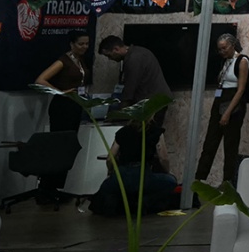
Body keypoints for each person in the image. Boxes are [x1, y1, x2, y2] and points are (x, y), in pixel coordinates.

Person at [33, 31, 91, 207]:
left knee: (68, 147)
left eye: (87, 44)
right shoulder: (63, 60)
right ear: (72, 44)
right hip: (62, 108)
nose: (84, 47)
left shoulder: (80, 61)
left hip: (75, 107)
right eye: (81, 44)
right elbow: (40, 80)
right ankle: (45, 189)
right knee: (58, 147)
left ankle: (56, 188)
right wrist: (60, 92)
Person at [195, 33, 249, 188]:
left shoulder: (242, 61)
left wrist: (227, 112)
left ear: (232, 45)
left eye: (224, 48)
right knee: (209, 144)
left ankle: (227, 182)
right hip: (219, 100)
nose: (221, 52)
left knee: (230, 145)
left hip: (233, 104)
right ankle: (198, 180)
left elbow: (240, 90)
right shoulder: (225, 61)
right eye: (219, 49)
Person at [98, 35, 171, 108]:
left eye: (109, 55)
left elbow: (129, 89)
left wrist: (119, 113)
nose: (110, 59)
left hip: (154, 101)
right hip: (157, 98)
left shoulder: (133, 59)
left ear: (116, 49)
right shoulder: (137, 52)